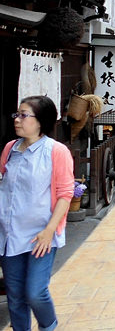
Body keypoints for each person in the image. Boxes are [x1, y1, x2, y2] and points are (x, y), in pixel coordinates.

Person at [0, 96, 74, 331]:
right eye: (17, 114)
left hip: (41, 234)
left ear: (40, 121)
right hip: (9, 234)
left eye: (24, 115)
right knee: (15, 296)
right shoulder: (10, 149)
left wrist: (49, 230)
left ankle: (48, 326)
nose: (17, 120)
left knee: (35, 292)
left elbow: (65, 193)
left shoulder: (56, 151)